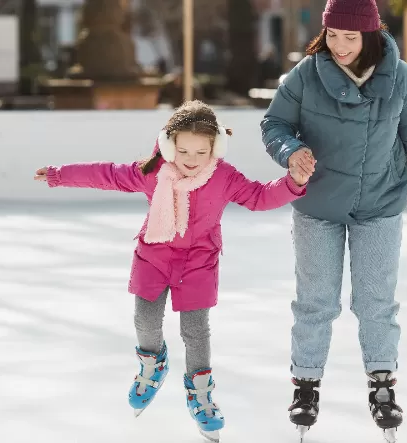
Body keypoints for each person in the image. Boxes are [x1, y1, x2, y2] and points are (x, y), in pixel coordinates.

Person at [34, 100, 315, 441]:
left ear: (215, 148)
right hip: (153, 257)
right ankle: (153, 364)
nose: (191, 159)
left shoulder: (224, 177)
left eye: (201, 151)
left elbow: (258, 197)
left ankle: (200, 390)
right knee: (145, 321)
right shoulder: (153, 172)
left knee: (196, 331)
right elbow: (106, 174)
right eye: (183, 150)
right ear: (169, 145)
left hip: (199, 263)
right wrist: (58, 175)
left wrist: (293, 182)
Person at [260, 0, 407, 441]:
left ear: (370, 34)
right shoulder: (306, 74)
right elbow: (274, 124)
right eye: (333, 35)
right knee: (315, 301)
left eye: (350, 37)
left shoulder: (400, 78)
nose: (340, 46)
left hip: (380, 204)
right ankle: (307, 383)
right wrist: (290, 151)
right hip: (318, 205)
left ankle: (382, 383)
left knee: (376, 301)